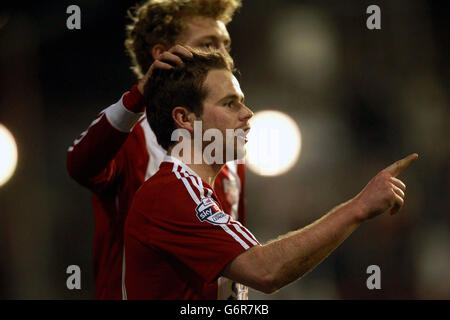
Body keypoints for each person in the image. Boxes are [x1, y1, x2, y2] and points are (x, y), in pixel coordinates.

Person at [123, 49, 418, 299]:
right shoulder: (169, 192)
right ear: (185, 119)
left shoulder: (205, 195)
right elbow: (265, 271)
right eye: (229, 103)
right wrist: (359, 206)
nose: (247, 113)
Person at [66, 0, 246, 299]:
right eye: (208, 44)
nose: (224, 56)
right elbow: (79, 165)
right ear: (163, 56)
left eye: (225, 44)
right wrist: (138, 96)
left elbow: (234, 253)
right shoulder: (126, 139)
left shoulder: (227, 147)